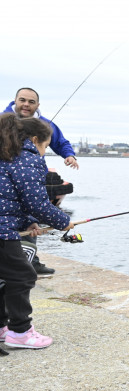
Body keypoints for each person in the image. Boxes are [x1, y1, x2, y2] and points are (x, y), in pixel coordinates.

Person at [0, 113, 74, 349]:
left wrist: (28, 222)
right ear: (34, 139)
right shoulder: (27, 157)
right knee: (23, 276)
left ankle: (3, 327)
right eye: (45, 146)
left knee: (5, 277)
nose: (44, 151)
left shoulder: (8, 154)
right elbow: (37, 203)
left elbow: (11, 197)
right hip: (3, 232)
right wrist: (64, 222)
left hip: (4, 225)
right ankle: (20, 332)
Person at [4, 87, 79, 275]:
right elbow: (37, 206)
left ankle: (31, 260)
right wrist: (63, 222)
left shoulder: (45, 124)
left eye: (31, 102)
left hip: (28, 180)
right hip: (9, 179)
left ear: (37, 105)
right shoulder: (3, 120)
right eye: (22, 100)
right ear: (15, 101)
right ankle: (21, 267)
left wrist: (69, 155)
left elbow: (61, 141)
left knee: (28, 217)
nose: (26, 104)